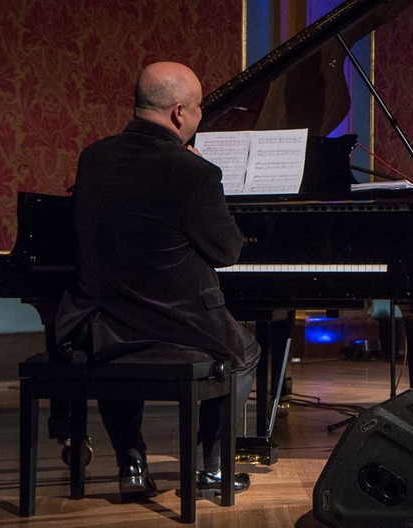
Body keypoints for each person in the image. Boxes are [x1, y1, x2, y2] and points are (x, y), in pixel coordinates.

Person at [54, 61, 260, 500]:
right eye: (201, 108)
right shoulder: (194, 173)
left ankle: (131, 462)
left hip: (103, 325)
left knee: (115, 353)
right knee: (246, 351)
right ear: (180, 112)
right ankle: (211, 470)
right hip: (177, 325)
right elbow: (227, 252)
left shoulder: (93, 158)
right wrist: (206, 178)